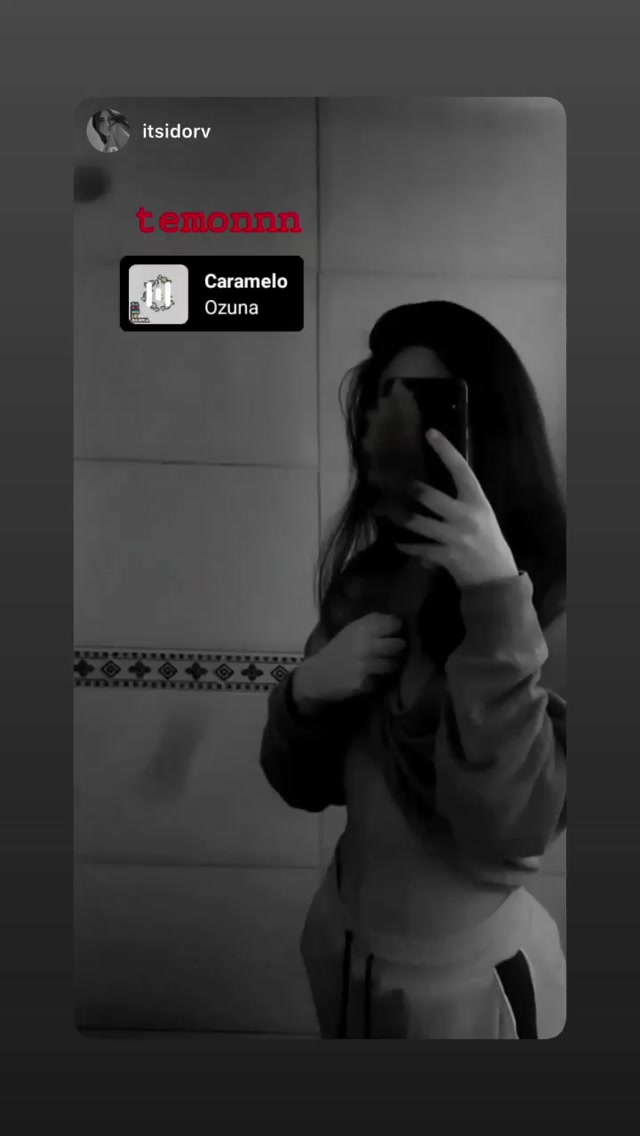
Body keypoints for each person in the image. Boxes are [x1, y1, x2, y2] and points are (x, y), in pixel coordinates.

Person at [259, 300, 567, 1040]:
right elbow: (300, 783)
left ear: (487, 427)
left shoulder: (558, 600)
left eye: (433, 411)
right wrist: (304, 694)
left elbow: (511, 828)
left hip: (477, 984)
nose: (403, 439)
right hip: (344, 944)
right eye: (386, 408)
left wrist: (495, 596)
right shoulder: (367, 583)